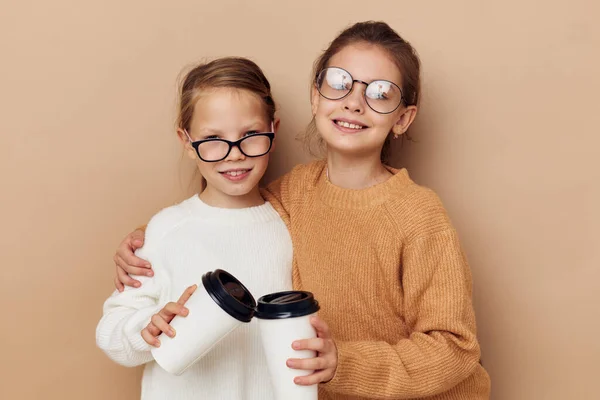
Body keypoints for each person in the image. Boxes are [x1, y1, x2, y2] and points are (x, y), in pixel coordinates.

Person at [113, 22, 491, 399]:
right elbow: (231, 213)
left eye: (380, 92)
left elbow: (455, 347)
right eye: (340, 83)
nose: (354, 102)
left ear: (403, 119)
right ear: (315, 97)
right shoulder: (297, 192)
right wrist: (146, 238)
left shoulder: (419, 215)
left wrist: (343, 363)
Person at [96, 57, 336, 400]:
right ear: (186, 140)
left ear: (273, 130)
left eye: (250, 135)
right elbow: (110, 335)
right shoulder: (166, 230)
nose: (234, 154)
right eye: (213, 138)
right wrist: (147, 328)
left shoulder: (292, 225)